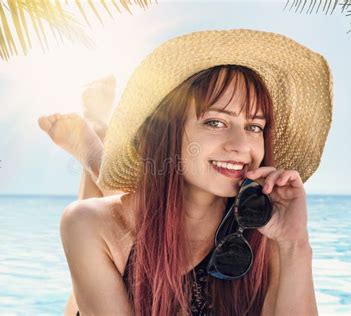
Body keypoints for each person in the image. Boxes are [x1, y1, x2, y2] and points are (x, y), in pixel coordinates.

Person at [43, 28, 333, 315]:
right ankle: (94, 147)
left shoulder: (266, 233)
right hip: (119, 243)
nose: (241, 145)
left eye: (254, 127)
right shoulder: (86, 222)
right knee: (101, 226)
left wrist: (296, 244)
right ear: (168, 131)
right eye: (216, 122)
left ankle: (94, 147)